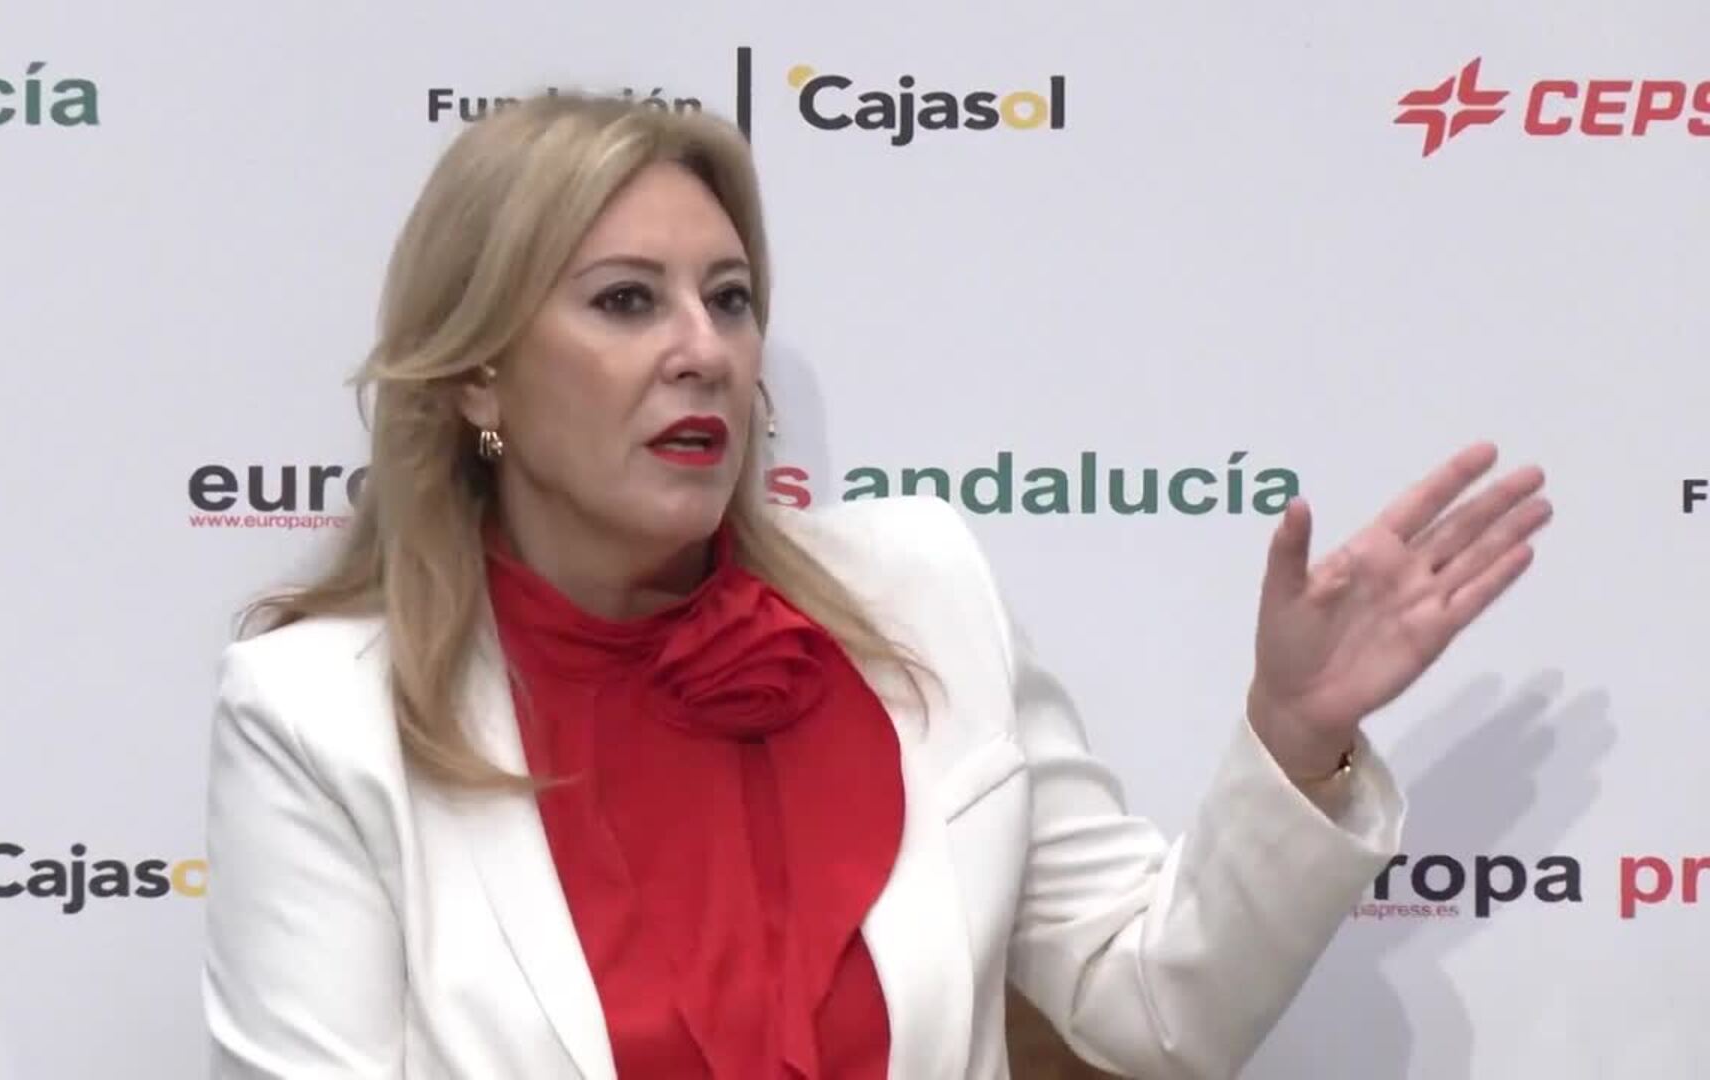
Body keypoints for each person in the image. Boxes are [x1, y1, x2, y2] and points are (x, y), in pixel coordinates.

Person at [198, 92, 1553, 1080]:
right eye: (626, 301)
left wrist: (1296, 735)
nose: (704, 351)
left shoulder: (921, 592)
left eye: (730, 299)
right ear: (479, 377)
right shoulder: (320, 712)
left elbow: (1155, 1007)